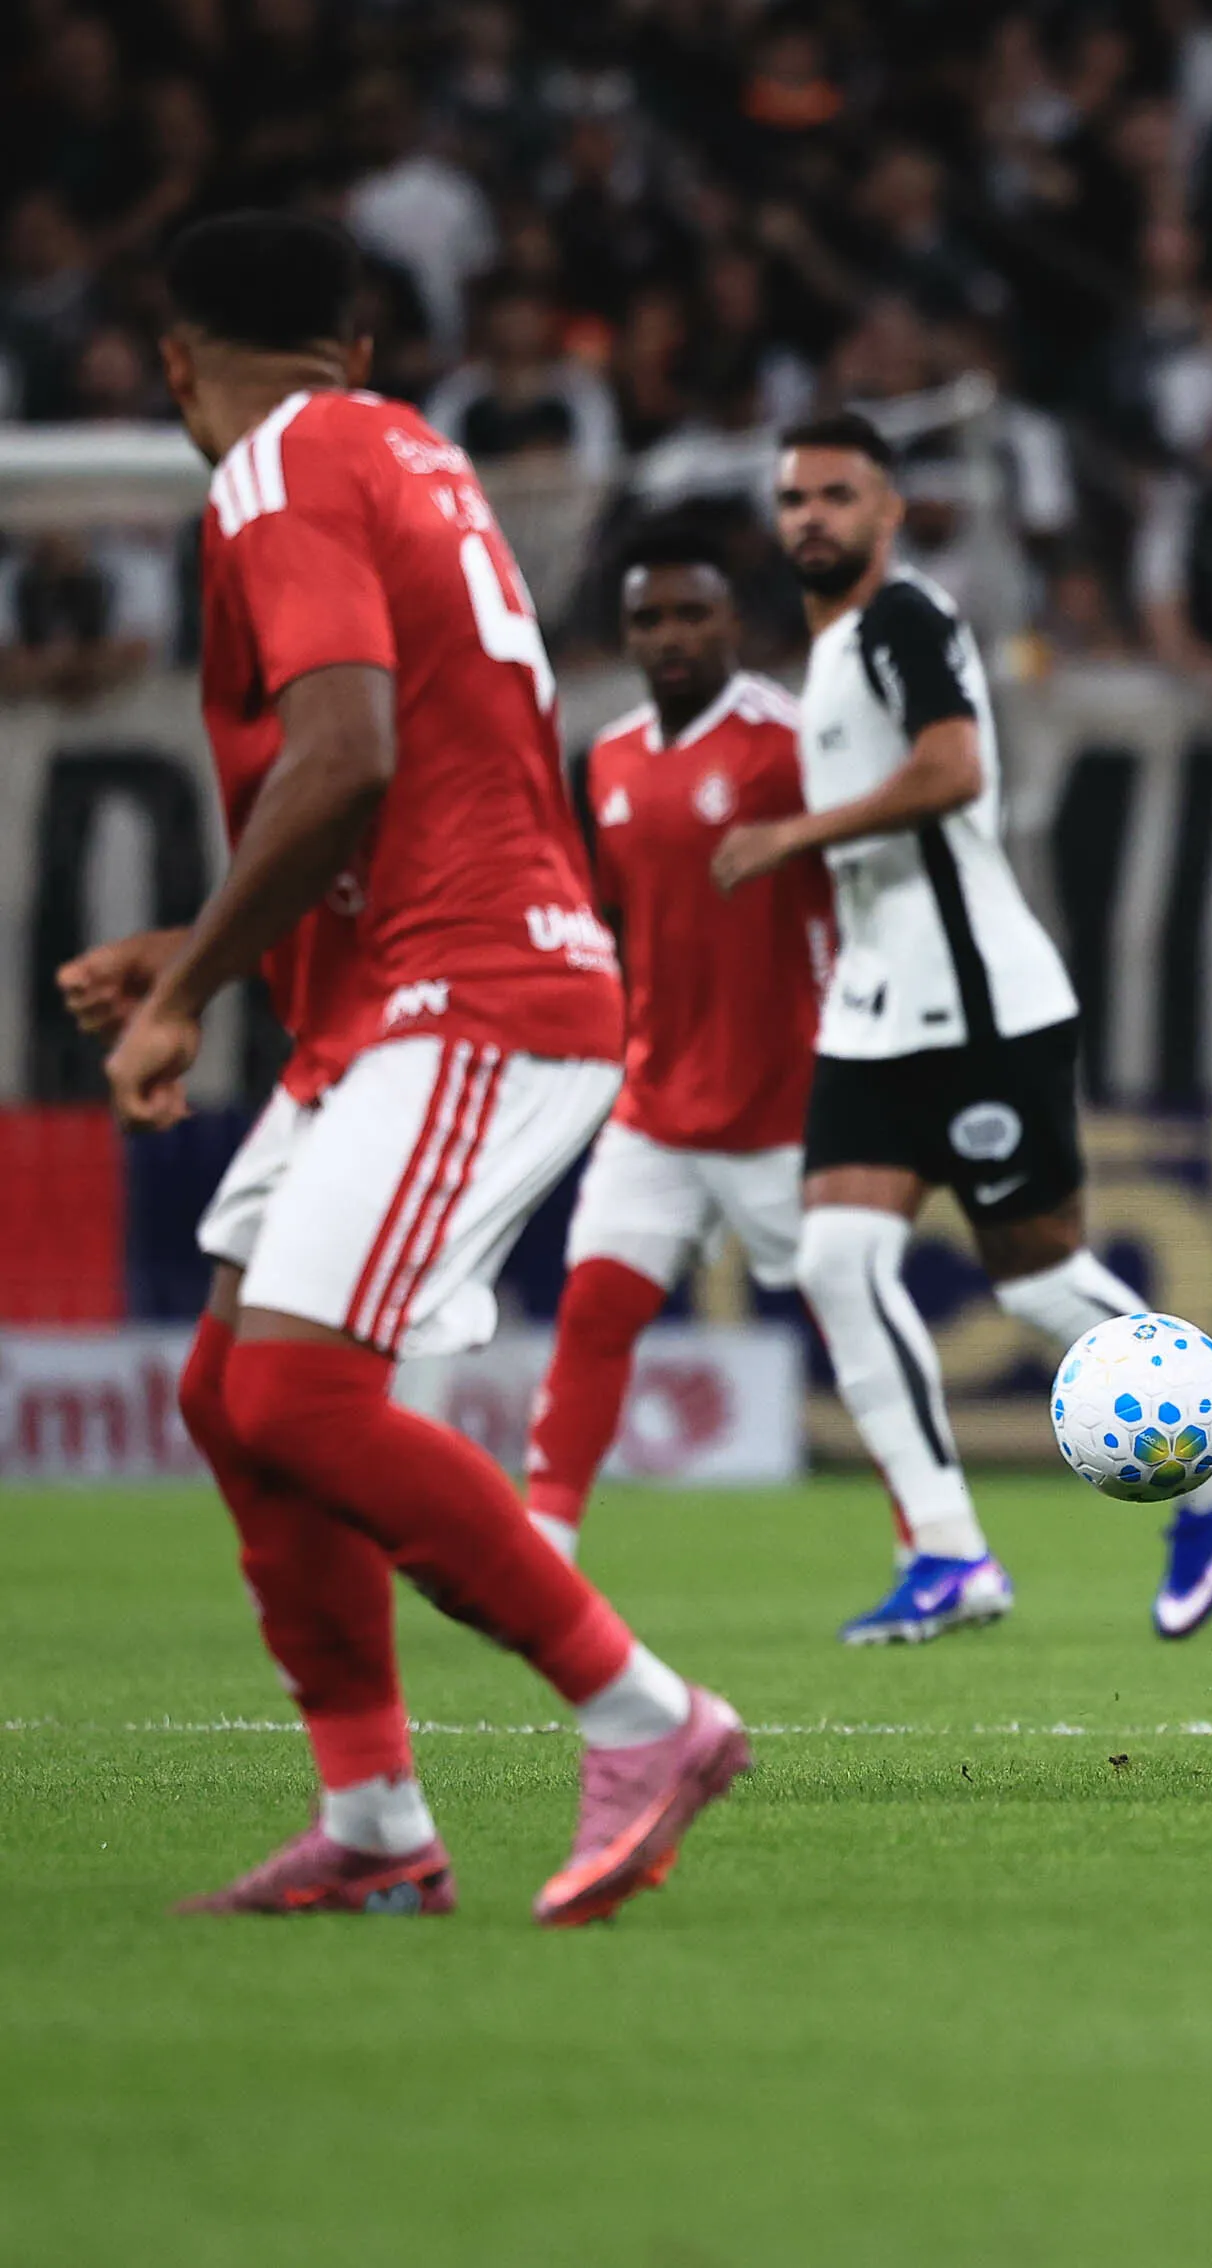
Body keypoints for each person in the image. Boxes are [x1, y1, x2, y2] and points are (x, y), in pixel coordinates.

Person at [72, 211, 742, 1924]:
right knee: (231, 1393)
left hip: (471, 991)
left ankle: (644, 1713)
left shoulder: (275, 465)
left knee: (301, 1395)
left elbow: (348, 752)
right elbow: (422, 767)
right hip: (413, 985)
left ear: (176, 367)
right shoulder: (409, 452)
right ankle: (374, 1822)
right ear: (358, 349)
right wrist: (208, 942)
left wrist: (185, 994)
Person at [713, 411, 1212, 1642]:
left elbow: (954, 767)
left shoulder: (903, 617)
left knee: (1036, 1282)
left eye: (838, 494)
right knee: (835, 1261)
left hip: (975, 1009)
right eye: (795, 497)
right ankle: (949, 1553)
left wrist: (793, 835)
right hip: (876, 1010)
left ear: (888, 509)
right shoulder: (832, 649)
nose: (812, 516)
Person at [518, 519, 831, 1558]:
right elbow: (613, 921)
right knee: (595, 1311)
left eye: (691, 613)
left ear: (732, 621)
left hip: (783, 1106)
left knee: (860, 1326)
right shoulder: (608, 759)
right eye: (649, 619)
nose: (671, 635)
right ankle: (543, 1549)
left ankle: (936, 1540)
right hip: (654, 1102)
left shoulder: (789, 743)